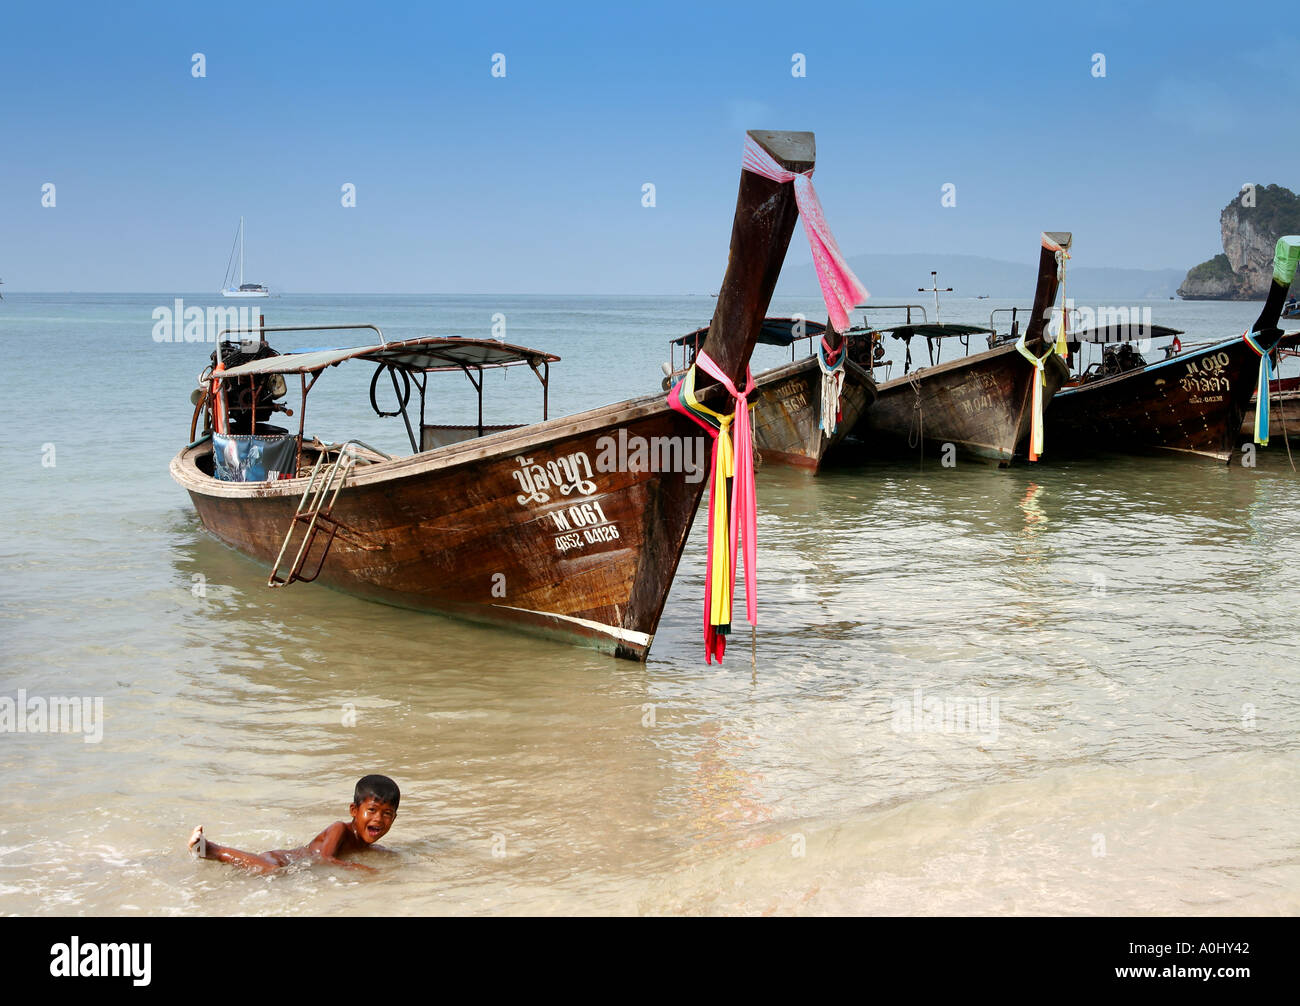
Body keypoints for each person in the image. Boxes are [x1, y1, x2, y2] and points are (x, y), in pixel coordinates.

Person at [188, 774, 399, 874]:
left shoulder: (367, 844)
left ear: (394, 818)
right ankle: (211, 849)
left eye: (387, 813)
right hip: (283, 859)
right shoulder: (339, 829)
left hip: (295, 866)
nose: (378, 819)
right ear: (354, 810)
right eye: (372, 810)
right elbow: (324, 859)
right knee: (271, 870)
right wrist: (362, 869)